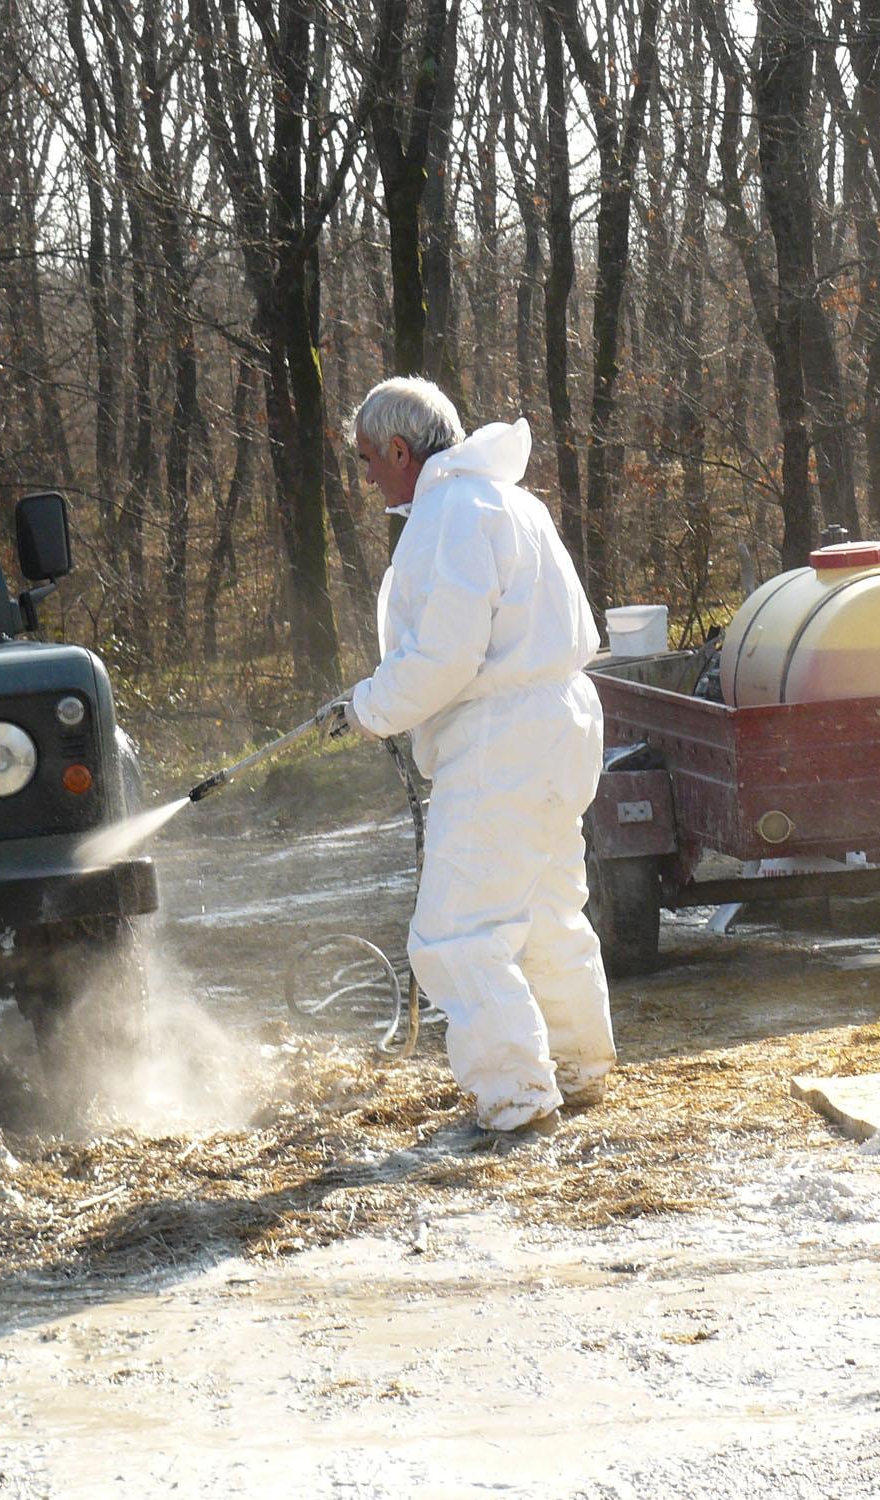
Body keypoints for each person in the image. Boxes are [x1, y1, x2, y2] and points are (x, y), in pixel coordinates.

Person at [331, 376, 615, 1137]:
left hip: (504, 738)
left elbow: (446, 654)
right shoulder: (507, 501)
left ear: (399, 449)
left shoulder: (450, 512)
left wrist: (367, 708)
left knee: (455, 932)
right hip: (560, 724)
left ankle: (517, 1096)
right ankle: (579, 1063)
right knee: (547, 909)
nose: (364, 476)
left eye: (366, 458)